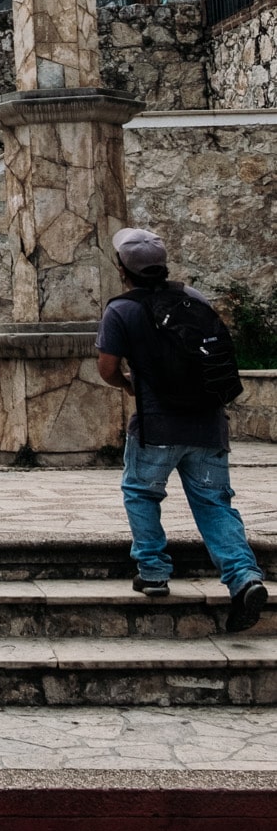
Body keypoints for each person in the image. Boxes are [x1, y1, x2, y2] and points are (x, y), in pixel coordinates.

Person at [97, 226, 267, 632]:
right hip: (208, 425)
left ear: (123, 268)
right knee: (214, 503)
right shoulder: (194, 299)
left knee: (141, 492)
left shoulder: (121, 310)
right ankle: (244, 577)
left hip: (157, 426)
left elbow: (106, 368)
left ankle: (153, 572)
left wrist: (127, 385)